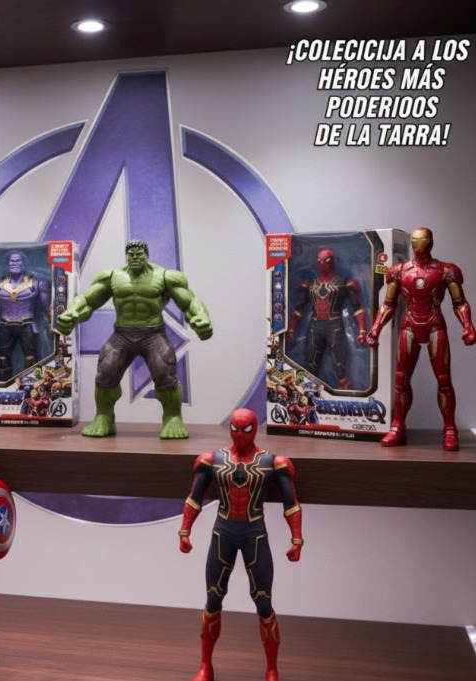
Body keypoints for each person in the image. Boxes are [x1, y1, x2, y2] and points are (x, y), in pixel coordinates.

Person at [178, 408, 303, 681]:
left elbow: (291, 503)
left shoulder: (273, 463)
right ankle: (205, 666)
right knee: (213, 598)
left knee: (263, 602)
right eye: (235, 428)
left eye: (246, 429)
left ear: (255, 428)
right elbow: (194, 497)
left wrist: (297, 539)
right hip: (223, 531)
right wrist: (184, 530)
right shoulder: (212, 460)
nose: (240, 434)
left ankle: (272, 670)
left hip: (253, 533)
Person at [56, 240, 213, 439]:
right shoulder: (112, 276)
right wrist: (72, 314)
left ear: (147, 255)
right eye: (131, 254)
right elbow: (87, 300)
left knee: (165, 375)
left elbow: (190, 302)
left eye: (139, 254)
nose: (135, 257)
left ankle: (172, 418)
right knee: (106, 372)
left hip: (153, 334)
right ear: (126, 256)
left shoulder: (165, 276)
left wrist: (201, 318)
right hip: (122, 334)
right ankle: (104, 416)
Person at [366, 227, 475, 450]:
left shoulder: (446, 270)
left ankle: (450, 429)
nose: (419, 247)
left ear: (431, 243)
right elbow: (388, 304)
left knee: (444, 380)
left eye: (423, 242)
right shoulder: (399, 271)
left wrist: (467, 325)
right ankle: (398, 428)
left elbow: (460, 302)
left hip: (435, 325)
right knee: (401, 380)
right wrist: (376, 328)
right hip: (410, 326)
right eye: (415, 243)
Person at [287, 248, 367, 389]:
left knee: (340, 369)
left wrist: (362, 330)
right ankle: (305, 397)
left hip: (334, 327)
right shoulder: (309, 284)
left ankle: (345, 398)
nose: (321, 264)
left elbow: (357, 309)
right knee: (309, 368)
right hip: (315, 327)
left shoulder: (346, 283)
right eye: (319, 261)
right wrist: (291, 329)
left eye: (324, 261)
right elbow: (299, 308)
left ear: (331, 262)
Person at [0, 250, 51, 381]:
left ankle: (33, 386)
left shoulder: (38, 283)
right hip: (5, 324)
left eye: (18, 260)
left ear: (24, 263)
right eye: (12, 261)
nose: (14, 263)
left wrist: (53, 323)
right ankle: (5, 386)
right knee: (3, 360)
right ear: (7, 263)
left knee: (31, 359)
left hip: (27, 325)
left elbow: (48, 308)